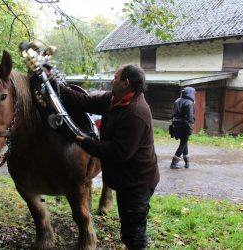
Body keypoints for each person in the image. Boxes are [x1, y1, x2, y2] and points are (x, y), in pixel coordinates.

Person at [44, 64, 159, 250]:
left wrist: (85, 142)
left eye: (115, 77)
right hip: (125, 180)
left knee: (135, 235)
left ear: (126, 83)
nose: (112, 80)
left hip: (137, 183)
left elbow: (118, 152)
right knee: (128, 229)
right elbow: (84, 102)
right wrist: (53, 83)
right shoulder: (115, 99)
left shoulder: (136, 113)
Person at [169, 87, 196, 169]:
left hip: (176, 125)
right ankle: (174, 163)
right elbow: (190, 116)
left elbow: (173, 114)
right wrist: (191, 125)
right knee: (183, 144)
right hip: (185, 125)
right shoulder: (189, 103)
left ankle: (187, 163)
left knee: (185, 142)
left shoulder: (177, 100)